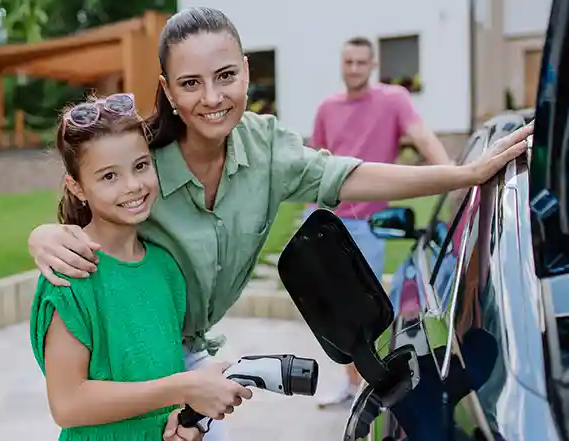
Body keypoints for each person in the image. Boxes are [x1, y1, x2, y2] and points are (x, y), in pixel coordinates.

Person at [27, 7, 532, 440]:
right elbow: (94, 193)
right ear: (167, 90)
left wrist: (464, 174)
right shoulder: (145, 162)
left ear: (246, 72)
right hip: (129, 361)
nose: (211, 97)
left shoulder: (267, 148)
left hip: (185, 358)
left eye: (226, 75)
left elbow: (349, 175)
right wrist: (43, 235)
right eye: (189, 83)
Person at [29, 94, 251, 441]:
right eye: (109, 177)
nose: (133, 185)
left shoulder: (165, 268)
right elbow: (68, 403)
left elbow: (162, 378)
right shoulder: (71, 272)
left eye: (141, 166)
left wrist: (185, 422)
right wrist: (185, 386)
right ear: (77, 187)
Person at [308, 36, 452, 409]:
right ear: (342, 65)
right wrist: (311, 217)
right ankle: (350, 383)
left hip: (372, 224)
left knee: (367, 313)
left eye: (361, 62)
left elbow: (422, 136)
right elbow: (316, 163)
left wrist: (455, 174)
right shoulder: (327, 107)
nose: (354, 68)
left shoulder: (393, 100)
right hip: (332, 222)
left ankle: (366, 386)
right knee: (339, 311)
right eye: (348, 62)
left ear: (372, 66)